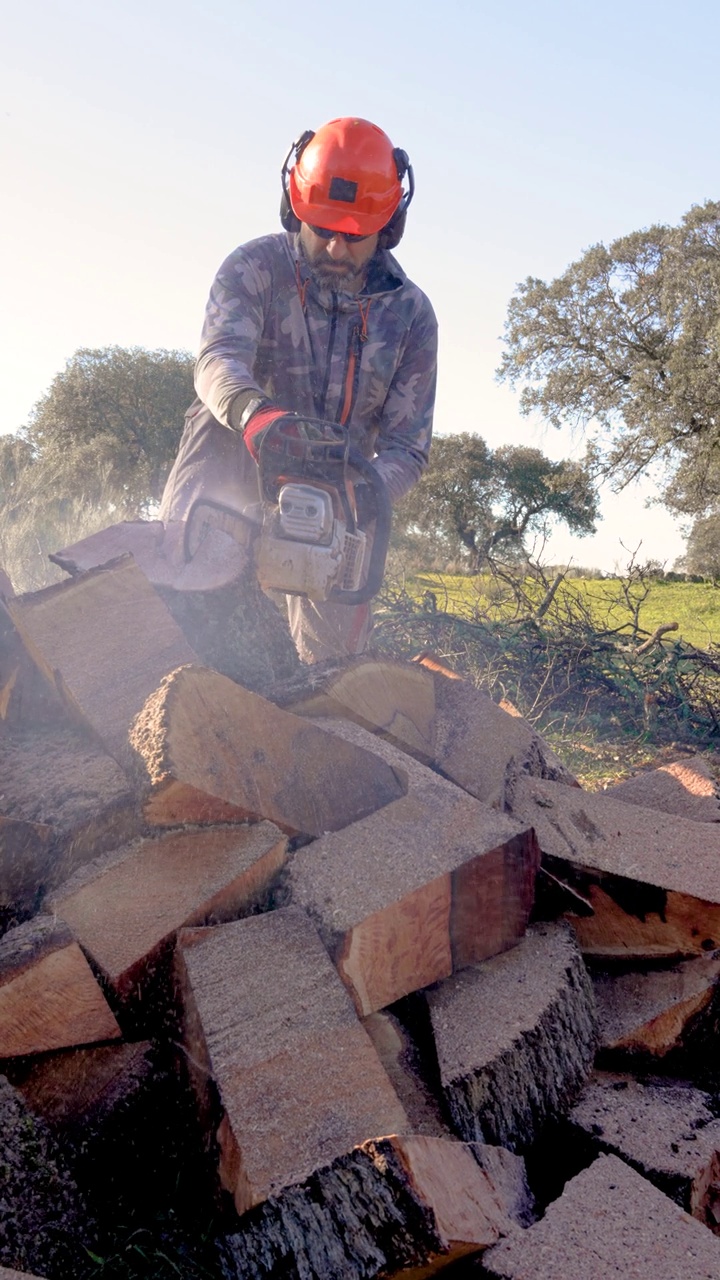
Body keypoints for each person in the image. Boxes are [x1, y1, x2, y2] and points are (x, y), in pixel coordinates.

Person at [159, 116, 438, 663]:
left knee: (331, 679)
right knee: (210, 424)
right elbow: (217, 360)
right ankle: (176, 599)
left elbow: (408, 448)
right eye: (322, 228)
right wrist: (259, 419)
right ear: (295, 209)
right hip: (241, 457)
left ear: (389, 225)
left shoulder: (411, 316)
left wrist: (358, 486)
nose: (336, 248)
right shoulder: (253, 269)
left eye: (354, 236)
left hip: (338, 496)